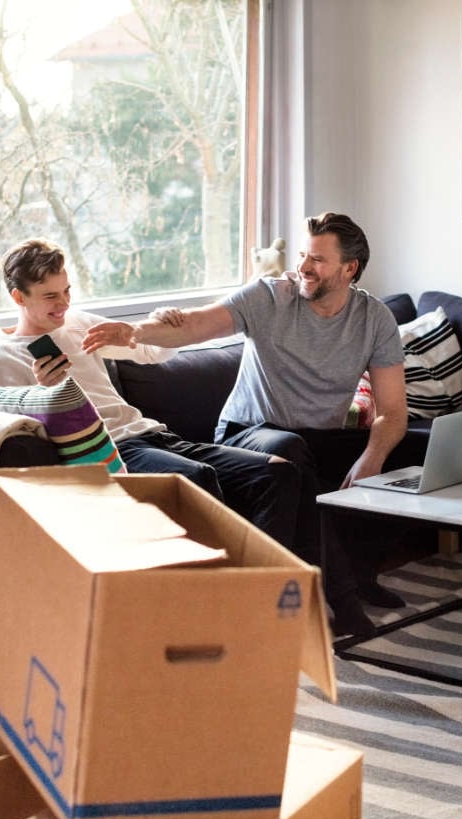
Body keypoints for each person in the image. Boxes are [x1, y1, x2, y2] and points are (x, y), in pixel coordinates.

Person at [81, 212, 409, 637]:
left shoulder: (375, 319)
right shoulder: (269, 297)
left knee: (392, 449)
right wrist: (134, 332)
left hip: (318, 436)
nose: (304, 267)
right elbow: (195, 325)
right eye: (303, 256)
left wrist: (372, 457)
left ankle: (360, 576)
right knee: (291, 452)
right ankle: (338, 597)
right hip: (249, 433)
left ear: (350, 269)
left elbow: (393, 411)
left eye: (319, 260)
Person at [0, 238, 300, 547]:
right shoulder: (3, 355)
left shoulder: (77, 324)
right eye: (50, 296)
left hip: (152, 436)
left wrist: (159, 321)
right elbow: (15, 437)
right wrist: (45, 392)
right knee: (196, 479)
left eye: (67, 291)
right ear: (18, 297)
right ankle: (225, 592)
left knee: (277, 473)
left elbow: (151, 352)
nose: (64, 303)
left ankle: (272, 588)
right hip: (109, 452)